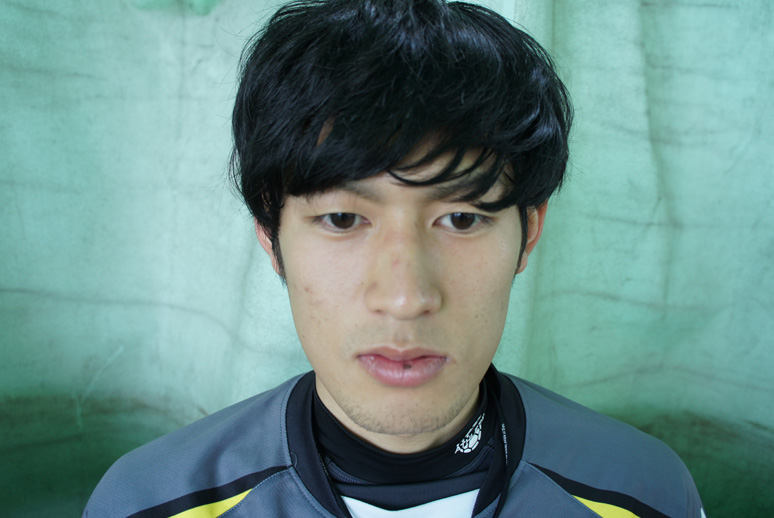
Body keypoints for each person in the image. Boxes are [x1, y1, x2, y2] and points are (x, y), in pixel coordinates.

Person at [84, 0, 705, 516]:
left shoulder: (644, 493)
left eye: (462, 219)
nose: (406, 299)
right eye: (343, 219)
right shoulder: (149, 501)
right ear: (271, 236)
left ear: (528, 232)